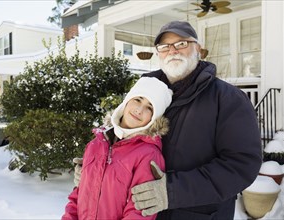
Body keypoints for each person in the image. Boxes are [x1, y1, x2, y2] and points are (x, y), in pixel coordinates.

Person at [73, 21, 263, 220]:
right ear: (158, 54)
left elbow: (241, 165)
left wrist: (171, 191)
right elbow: (127, 136)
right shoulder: (148, 92)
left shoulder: (227, 98)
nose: (172, 50)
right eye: (164, 47)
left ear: (198, 49)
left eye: (181, 43)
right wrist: (96, 169)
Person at [62, 77, 173, 220]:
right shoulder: (96, 144)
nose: (139, 110)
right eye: (137, 100)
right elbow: (77, 197)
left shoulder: (148, 155)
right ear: (126, 102)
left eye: (149, 107)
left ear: (154, 118)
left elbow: (139, 213)